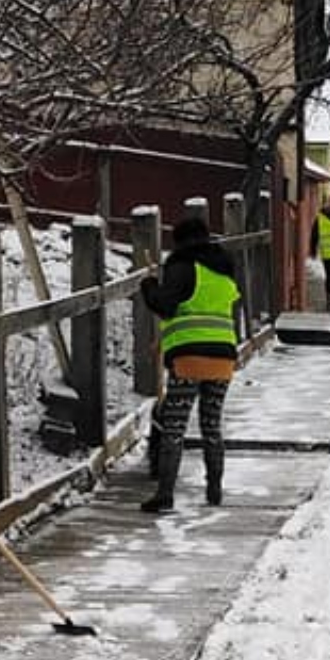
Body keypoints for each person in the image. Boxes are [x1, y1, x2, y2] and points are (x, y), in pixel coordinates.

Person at [141, 216, 244, 513]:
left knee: (175, 425)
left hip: (189, 359)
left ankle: (164, 494)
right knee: (212, 425)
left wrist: (149, 286)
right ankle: (214, 490)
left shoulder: (183, 266)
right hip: (223, 358)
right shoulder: (225, 272)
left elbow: (165, 305)